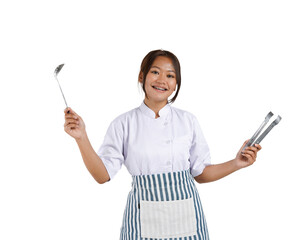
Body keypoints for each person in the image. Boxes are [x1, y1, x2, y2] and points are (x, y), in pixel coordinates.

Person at [64, 49, 262, 240]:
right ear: (142, 76)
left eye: (170, 75)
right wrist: (81, 137)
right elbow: (102, 175)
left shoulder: (188, 121)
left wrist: (236, 163)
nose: (161, 80)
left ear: (176, 84)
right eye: (155, 72)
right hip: (143, 220)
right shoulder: (123, 124)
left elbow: (201, 174)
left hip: (187, 220)